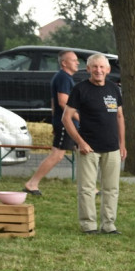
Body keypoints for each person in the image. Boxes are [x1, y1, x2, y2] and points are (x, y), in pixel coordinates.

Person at [62, 54, 126, 235]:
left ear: (108, 70)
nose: (98, 70)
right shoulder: (80, 89)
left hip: (112, 147)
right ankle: (88, 225)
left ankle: (109, 225)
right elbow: (66, 118)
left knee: (112, 189)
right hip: (88, 148)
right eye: (94, 67)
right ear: (88, 69)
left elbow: (120, 117)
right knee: (87, 189)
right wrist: (80, 142)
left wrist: (122, 144)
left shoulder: (114, 89)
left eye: (101, 67)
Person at [23, 50, 78, 196]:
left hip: (66, 123)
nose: (77, 62)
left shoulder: (62, 78)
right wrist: (78, 117)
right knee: (57, 155)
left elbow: (54, 103)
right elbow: (62, 102)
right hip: (68, 123)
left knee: (84, 153)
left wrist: (55, 122)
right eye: (73, 60)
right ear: (64, 63)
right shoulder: (63, 78)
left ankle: (90, 186)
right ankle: (32, 183)